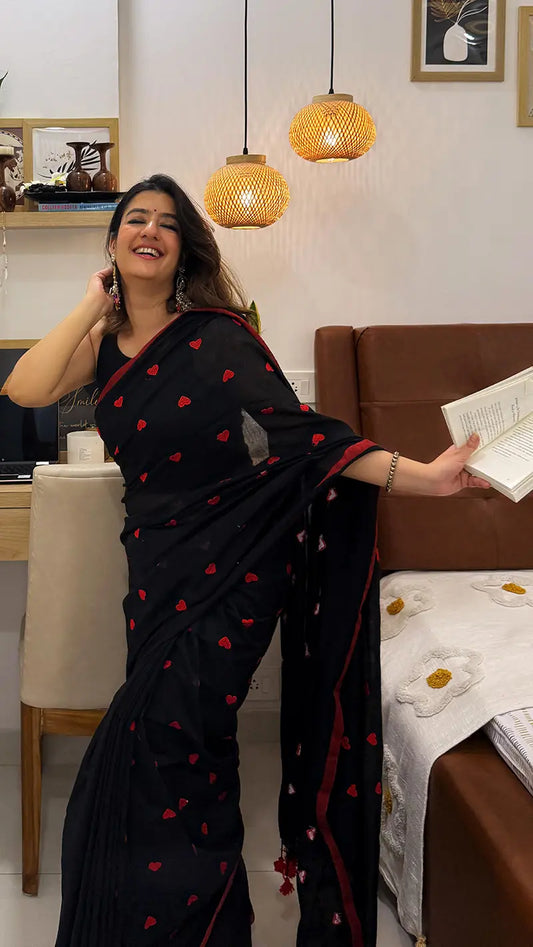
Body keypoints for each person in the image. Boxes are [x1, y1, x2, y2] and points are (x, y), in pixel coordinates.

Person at [7, 174, 489, 947]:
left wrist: (422, 478)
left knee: (177, 742)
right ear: (114, 242)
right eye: (136, 218)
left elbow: (306, 438)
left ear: (182, 249)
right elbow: (24, 386)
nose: (150, 231)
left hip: (230, 576)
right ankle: (201, 921)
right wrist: (92, 305)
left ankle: (196, 922)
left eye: (167, 224)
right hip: (156, 573)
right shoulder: (102, 348)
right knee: (172, 751)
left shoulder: (216, 336)